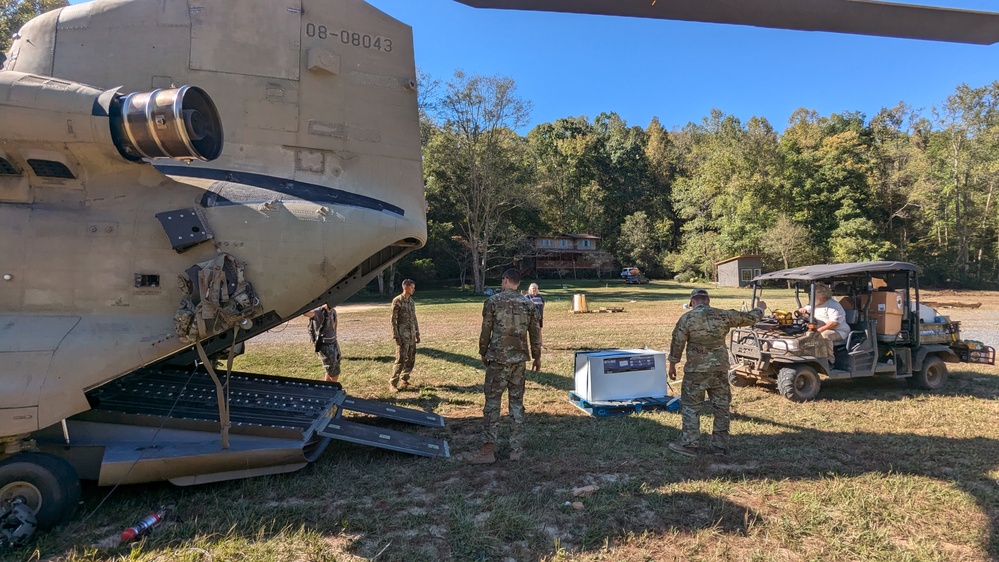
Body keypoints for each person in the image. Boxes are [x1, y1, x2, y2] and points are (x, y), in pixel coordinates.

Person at [667, 289, 767, 457]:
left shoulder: (687, 318)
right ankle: (720, 446)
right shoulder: (723, 315)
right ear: (708, 300)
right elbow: (749, 318)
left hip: (696, 371)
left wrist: (672, 364)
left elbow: (677, 342)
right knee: (721, 406)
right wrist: (760, 308)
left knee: (691, 406)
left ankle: (690, 444)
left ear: (692, 301)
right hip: (719, 369)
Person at [469, 269, 542, 464]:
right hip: (519, 360)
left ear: (506, 280)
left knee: (493, 404)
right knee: (516, 404)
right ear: (518, 283)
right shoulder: (529, 303)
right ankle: (515, 450)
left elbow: (486, 330)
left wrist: (482, 352)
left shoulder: (493, 302)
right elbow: (535, 334)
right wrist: (537, 357)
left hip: (499, 360)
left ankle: (488, 451)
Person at [796, 283, 849, 357]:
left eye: (814, 295)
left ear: (821, 296)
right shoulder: (815, 303)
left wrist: (819, 330)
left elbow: (834, 323)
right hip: (818, 328)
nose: (812, 297)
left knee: (824, 336)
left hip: (838, 330)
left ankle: (829, 359)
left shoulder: (833, 305)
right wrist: (802, 310)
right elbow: (806, 309)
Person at [390, 279, 420, 392]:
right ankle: (393, 383)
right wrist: (396, 336)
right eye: (412, 287)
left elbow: (414, 318)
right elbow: (393, 320)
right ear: (405, 287)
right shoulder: (397, 301)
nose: (413, 289)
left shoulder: (411, 301)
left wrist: (417, 333)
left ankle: (404, 380)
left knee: (411, 359)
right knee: (400, 359)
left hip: (411, 334)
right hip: (402, 335)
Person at [304, 303, 341, 385]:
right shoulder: (318, 312)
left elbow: (334, 326)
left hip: (333, 342)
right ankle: (332, 387)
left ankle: (327, 387)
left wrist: (335, 339)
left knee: (333, 367)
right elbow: (305, 313)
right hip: (325, 346)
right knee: (334, 371)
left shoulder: (333, 311)